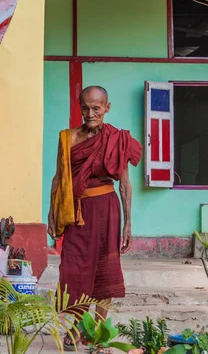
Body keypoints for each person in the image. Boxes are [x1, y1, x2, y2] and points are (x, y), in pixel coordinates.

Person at [48, 86, 142, 350]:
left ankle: (97, 332)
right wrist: (52, 212)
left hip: (107, 211)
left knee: (105, 271)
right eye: (86, 108)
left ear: (107, 108)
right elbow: (59, 177)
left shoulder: (117, 139)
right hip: (76, 214)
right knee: (74, 271)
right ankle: (75, 329)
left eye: (96, 108)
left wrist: (128, 223)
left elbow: (125, 184)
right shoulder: (68, 138)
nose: (91, 114)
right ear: (80, 107)